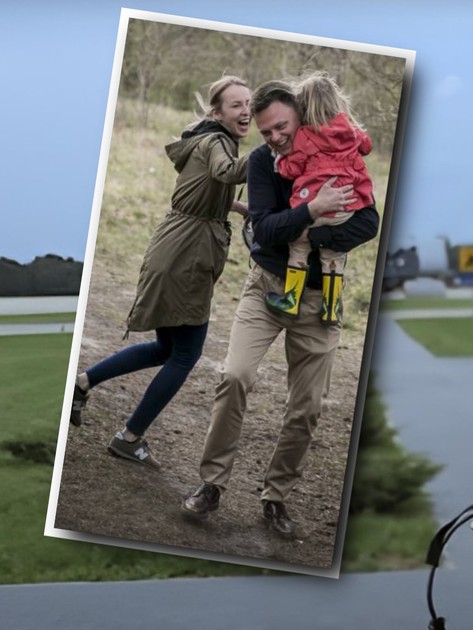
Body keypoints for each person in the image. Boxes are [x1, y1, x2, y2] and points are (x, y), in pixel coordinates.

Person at [181, 79, 379, 538]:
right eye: (265, 130)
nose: (273, 137)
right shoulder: (261, 163)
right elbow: (266, 228)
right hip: (266, 290)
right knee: (235, 376)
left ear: (300, 116)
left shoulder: (333, 155)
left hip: (319, 302)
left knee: (307, 407)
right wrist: (311, 214)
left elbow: (368, 221)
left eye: (281, 127)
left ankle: (275, 497)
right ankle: (212, 484)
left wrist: (319, 236)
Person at [70, 76, 252, 470]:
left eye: (249, 103)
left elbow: (200, 187)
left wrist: (235, 209)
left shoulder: (204, 138)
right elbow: (226, 171)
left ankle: (82, 383)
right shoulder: (216, 142)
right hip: (186, 257)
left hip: (175, 247)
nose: (246, 111)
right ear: (217, 112)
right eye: (236, 105)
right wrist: (276, 147)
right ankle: (129, 438)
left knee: (165, 349)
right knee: (186, 354)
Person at [265, 72, 374, 326]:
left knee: (299, 247)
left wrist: (280, 162)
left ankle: (291, 300)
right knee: (333, 256)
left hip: (313, 205)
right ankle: (331, 308)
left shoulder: (305, 134)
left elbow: (292, 169)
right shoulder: (351, 130)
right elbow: (367, 147)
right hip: (346, 205)